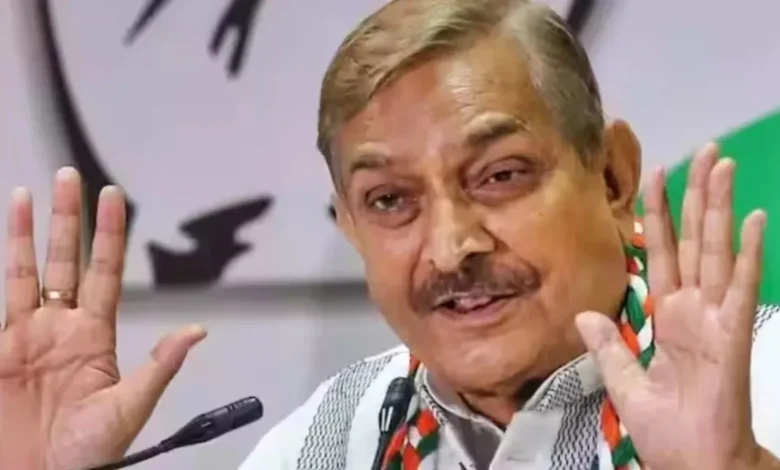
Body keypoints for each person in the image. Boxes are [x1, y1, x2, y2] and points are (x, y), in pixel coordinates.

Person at [2, 0, 780, 469]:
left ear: (611, 176)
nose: (451, 247)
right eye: (390, 201)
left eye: (500, 175)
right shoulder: (324, 444)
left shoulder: (766, 384)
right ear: (350, 228)